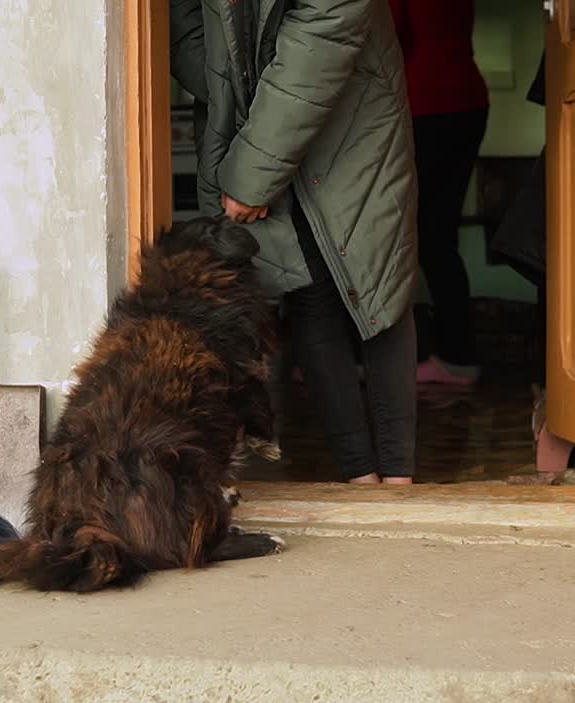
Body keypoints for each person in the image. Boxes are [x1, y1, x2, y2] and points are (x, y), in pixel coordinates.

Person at [170, 0, 421, 485]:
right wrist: (242, 103)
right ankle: (361, 481)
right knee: (307, 292)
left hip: (354, 117)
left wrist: (250, 174)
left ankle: (398, 484)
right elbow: (185, 34)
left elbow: (319, 44)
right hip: (254, 121)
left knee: (379, 287)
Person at [389, 0, 489, 386]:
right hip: (467, 99)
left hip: (425, 102)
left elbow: (390, 33)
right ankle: (457, 354)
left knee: (403, 235)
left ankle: (443, 355)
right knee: (438, 237)